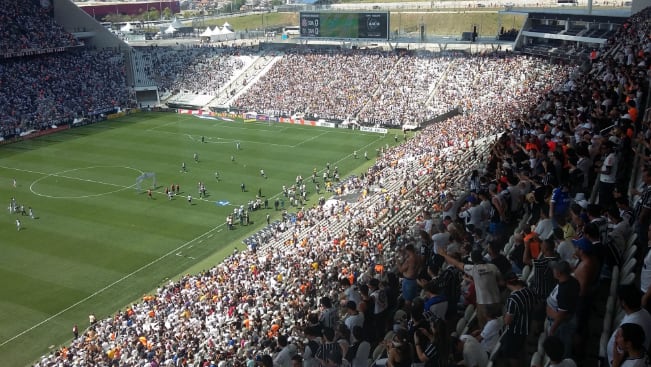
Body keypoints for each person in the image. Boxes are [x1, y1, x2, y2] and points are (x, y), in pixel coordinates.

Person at [546, 260, 580, 358]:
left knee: (563, 349)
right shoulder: (572, 281)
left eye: (554, 269)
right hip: (565, 320)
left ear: (559, 273)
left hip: (561, 325)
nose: (552, 271)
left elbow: (562, 315)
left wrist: (552, 330)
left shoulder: (564, 291)